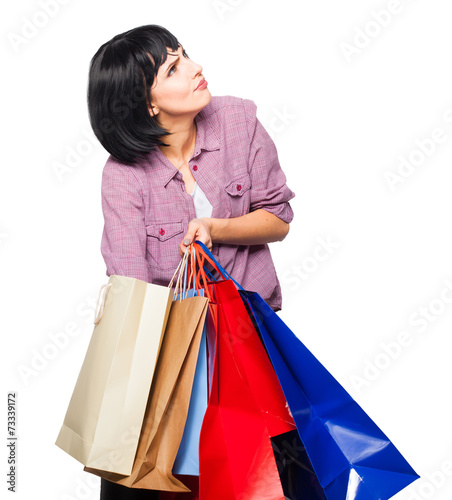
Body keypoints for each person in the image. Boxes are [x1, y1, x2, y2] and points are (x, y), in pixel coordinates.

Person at [87, 24, 295, 499]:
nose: (196, 68)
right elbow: (131, 283)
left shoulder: (239, 121)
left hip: (246, 340)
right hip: (168, 349)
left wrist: (217, 227)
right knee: (157, 478)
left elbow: (278, 219)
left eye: (186, 56)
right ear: (147, 103)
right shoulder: (122, 176)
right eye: (173, 68)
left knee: (263, 479)